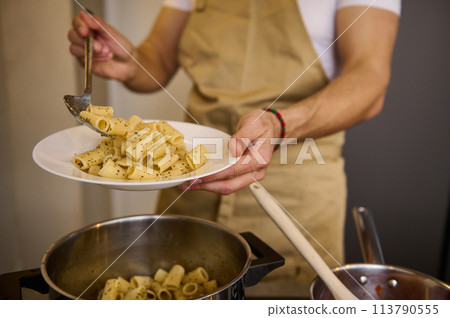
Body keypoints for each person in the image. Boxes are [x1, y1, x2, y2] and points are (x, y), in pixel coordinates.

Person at [69, 0, 400, 298]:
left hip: (294, 193)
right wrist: (130, 61)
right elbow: (158, 60)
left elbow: (369, 79)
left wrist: (278, 125)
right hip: (192, 181)